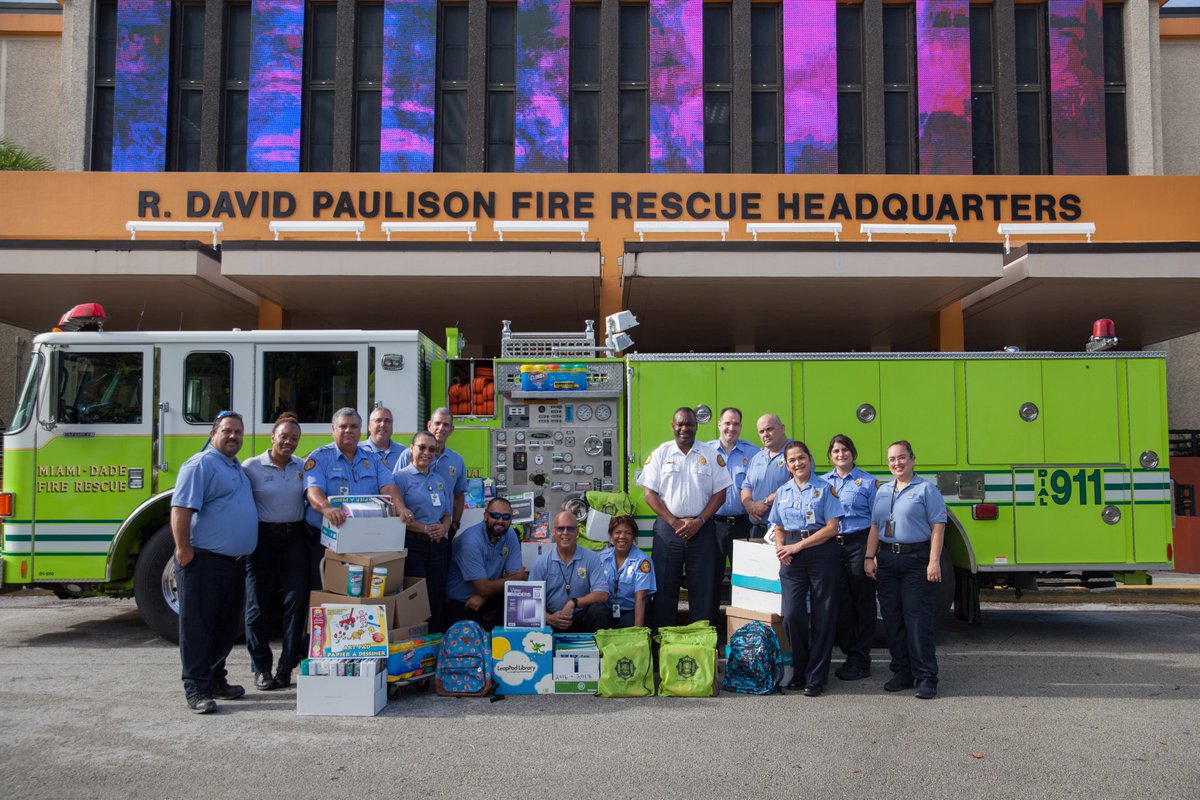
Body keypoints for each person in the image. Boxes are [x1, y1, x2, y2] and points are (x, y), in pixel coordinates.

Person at [170, 410, 259, 714]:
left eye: (238, 432)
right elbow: (181, 508)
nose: (233, 436)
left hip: (233, 563)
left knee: (225, 627)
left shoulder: (234, 466)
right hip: (204, 561)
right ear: (212, 434)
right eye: (227, 431)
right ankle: (196, 689)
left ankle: (216, 679)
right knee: (197, 627)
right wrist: (184, 549)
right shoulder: (200, 464)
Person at [865, 439, 947, 700]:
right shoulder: (883, 491)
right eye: (892, 459)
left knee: (917, 619)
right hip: (887, 560)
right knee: (892, 619)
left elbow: (938, 526)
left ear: (912, 459)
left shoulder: (926, 489)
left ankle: (926, 677)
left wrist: (934, 561)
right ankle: (902, 672)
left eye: (901, 457)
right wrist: (869, 557)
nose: (897, 463)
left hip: (916, 560)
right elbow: (875, 527)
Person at [638, 406, 731, 629]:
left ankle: (702, 641)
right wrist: (674, 521)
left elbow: (720, 494)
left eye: (689, 424)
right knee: (664, 587)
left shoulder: (710, 455)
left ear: (696, 426)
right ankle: (663, 639)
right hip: (668, 529)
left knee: (703, 589)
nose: (684, 428)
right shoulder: (660, 454)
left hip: (702, 528)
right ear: (673, 426)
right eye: (680, 424)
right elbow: (649, 494)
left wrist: (699, 521)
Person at [303, 408, 412, 587]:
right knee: (328, 590)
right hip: (328, 539)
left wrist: (401, 508)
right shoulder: (320, 457)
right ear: (333, 430)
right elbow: (313, 491)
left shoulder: (373, 459)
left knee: (361, 590)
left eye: (353, 426)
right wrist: (327, 508)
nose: (348, 430)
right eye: (343, 426)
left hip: (364, 538)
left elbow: (388, 487)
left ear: (360, 430)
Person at [768, 440, 843, 697]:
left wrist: (797, 546)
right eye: (792, 460)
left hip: (821, 552)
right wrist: (781, 547)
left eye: (801, 457)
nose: (797, 463)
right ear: (787, 466)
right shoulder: (783, 492)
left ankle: (816, 677)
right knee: (792, 615)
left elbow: (832, 528)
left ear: (810, 459)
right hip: (791, 556)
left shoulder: (825, 489)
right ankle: (800, 672)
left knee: (823, 615)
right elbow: (779, 527)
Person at [242, 413, 309, 692]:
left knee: (296, 601)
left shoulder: (302, 466)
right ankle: (261, 668)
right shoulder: (251, 467)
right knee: (256, 605)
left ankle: (286, 667)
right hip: (262, 540)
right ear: (272, 437)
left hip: (294, 539)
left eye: (294, 438)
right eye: (284, 436)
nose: (288, 442)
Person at [822, 433, 880, 682]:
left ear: (853, 452)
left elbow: (877, 521)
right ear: (830, 456)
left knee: (863, 603)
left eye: (844, 450)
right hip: (833, 546)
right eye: (835, 451)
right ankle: (849, 654)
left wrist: (871, 555)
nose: (840, 454)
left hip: (859, 544)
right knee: (841, 604)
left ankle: (861, 658)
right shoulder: (823, 483)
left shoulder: (867, 482)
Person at [394, 430, 453, 631]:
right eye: (422, 447)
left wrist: (444, 528)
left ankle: (434, 639)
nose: (427, 453)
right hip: (413, 545)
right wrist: (425, 529)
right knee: (415, 596)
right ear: (411, 449)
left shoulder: (439, 480)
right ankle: (415, 643)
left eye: (432, 449)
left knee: (436, 595)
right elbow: (396, 515)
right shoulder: (399, 479)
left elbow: (447, 513)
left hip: (438, 545)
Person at [444, 497, 528, 627]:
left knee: (519, 613)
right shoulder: (471, 541)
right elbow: (514, 577)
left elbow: (516, 578)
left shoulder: (510, 534)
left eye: (506, 517)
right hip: (461, 603)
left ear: (511, 519)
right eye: (495, 515)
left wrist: (483, 595)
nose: (500, 521)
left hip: (487, 598)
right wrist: (514, 578)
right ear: (485, 516)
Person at [528, 512, 609, 632]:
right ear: (553, 532)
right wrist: (548, 618)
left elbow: (602, 594)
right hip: (552, 619)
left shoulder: (591, 558)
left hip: (581, 617)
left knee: (599, 610)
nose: (565, 532)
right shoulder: (541, 562)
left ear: (577, 532)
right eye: (560, 528)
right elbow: (529, 601)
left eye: (570, 528)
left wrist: (573, 603)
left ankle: (597, 644)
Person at [399, 407, 466, 540]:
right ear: (429, 425)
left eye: (446, 425)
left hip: (442, 531)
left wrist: (454, 524)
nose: (441, 428)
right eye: (437, 423)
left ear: (451, 429)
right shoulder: (408, 454)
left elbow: (459, 495)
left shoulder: (457, 460)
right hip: (412, 531)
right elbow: (395, 490)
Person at [707, 407, 759, 554]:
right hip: (713, 525)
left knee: (744, 568)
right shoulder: (706, 451)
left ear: (740, 427)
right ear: (719, 424)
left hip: (744, 525)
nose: (731, 428)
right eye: (727, 423)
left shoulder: (753, 452)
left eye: (736, 424)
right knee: (712, 568)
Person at [597, 515, 656, 628]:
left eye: (628, 533)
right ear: (611, 535)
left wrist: (637, 632)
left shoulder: (642, 561)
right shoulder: (602, 558)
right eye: (617, 532)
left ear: (633, 537)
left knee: (628, 624)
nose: (622, 537)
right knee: (595, 611)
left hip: (632, 611)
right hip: (609, 609)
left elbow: (641, 598)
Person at [741, 414, 793, 538]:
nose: (765, 434)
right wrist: (748, 504)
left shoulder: (796, 452)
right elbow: (747, 485)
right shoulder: (758, 457)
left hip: (784, 531)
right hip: (757, 529)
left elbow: (797, 484)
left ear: (782, 428)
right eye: (761, 431)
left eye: (769, 429)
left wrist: (766, 501)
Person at [361, 406, 408, 471]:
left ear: (392, 425)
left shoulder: (404, 453)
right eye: (378, 420)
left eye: (387, 421)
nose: (383, 424)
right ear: (369, 426)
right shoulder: (357, 451)